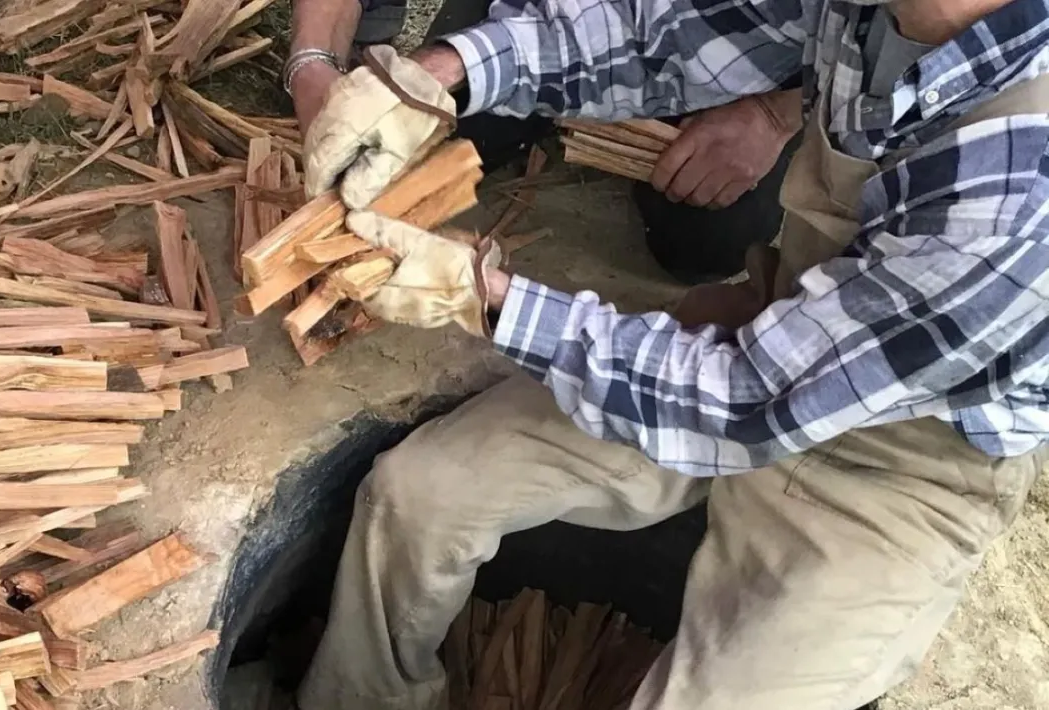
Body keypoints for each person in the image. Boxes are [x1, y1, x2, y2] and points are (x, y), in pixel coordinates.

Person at [296, 0, 1049, 709]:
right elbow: (667, 33)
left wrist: (483, 298)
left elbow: (739, 402)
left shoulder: (1025, 188)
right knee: (418, 494)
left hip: (894, 474)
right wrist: (439, 75)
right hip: (768, 333)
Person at [287, 0, 805, 284]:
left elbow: (868, 50)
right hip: (549, 11)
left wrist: (776, 113)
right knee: (422, 149)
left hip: (752, 45)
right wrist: (313, 62)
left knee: (708, 243)